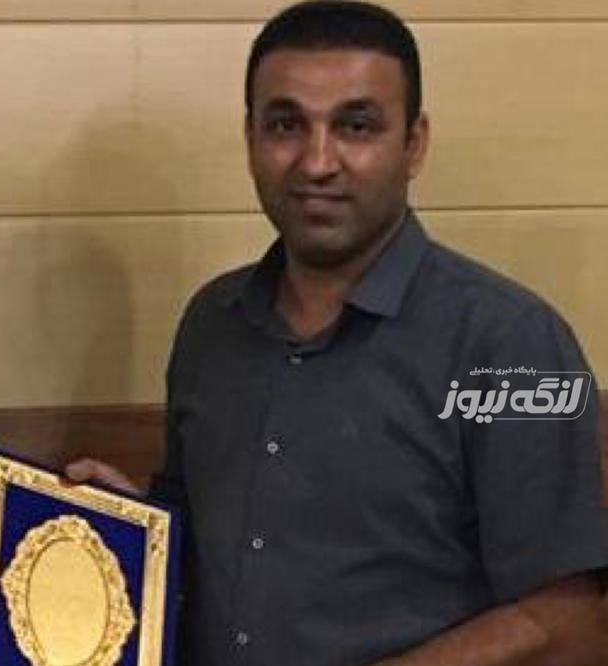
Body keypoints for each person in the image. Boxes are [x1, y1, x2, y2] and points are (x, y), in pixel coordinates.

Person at [68, 2, 608, 664]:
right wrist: (132, 530)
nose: (317, 162)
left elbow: (570, 624)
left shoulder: (515, 346)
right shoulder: (211, 325)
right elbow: (199, 559)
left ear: (414, 144)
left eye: (356, 126)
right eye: (286, 125)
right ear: (250, 138)